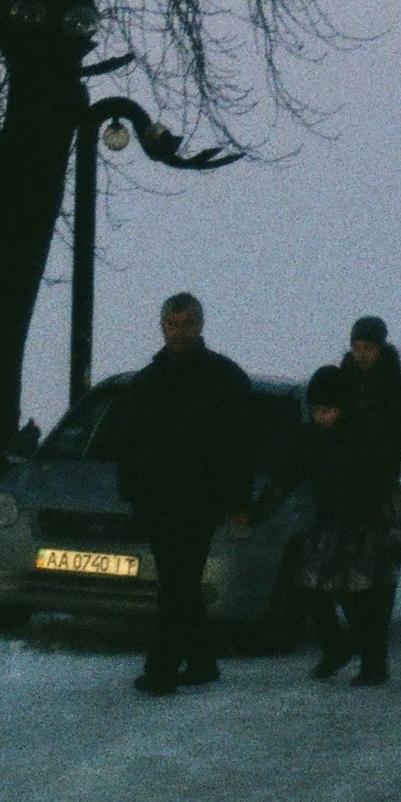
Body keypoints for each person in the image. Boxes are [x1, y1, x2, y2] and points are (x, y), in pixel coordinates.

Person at [114, 291, 257, 695]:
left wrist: (238, 501)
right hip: (157, 499)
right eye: (173, 324)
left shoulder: (224, 379)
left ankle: (162, 667)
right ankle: (200, 659)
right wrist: (132, 487)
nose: (179, 332)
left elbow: (241, 446)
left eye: (187, 324)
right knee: (181, 582)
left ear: (201, 325)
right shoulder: (148, 380)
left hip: (200, 499)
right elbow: (129, 439)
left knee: (177, 582)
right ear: (162, 326)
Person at [262, 365, 401, 685]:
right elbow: (286, 477)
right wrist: (257, 511)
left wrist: (396, 535)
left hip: (368, 528)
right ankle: (336, 648)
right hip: (329, 526)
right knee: (309, 588)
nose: (322, 417)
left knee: (366, 600)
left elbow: (387, 487)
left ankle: (373, 665)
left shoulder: (367, 436)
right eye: (316, 410)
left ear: (344, 408)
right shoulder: (309, 438)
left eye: (328, 410)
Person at [340, 316, 401, 453]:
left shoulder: (400, 386)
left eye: (368, 347)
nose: (362, 354)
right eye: (356, 348)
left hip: (384, 466)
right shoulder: (340, 382)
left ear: (380, 349)